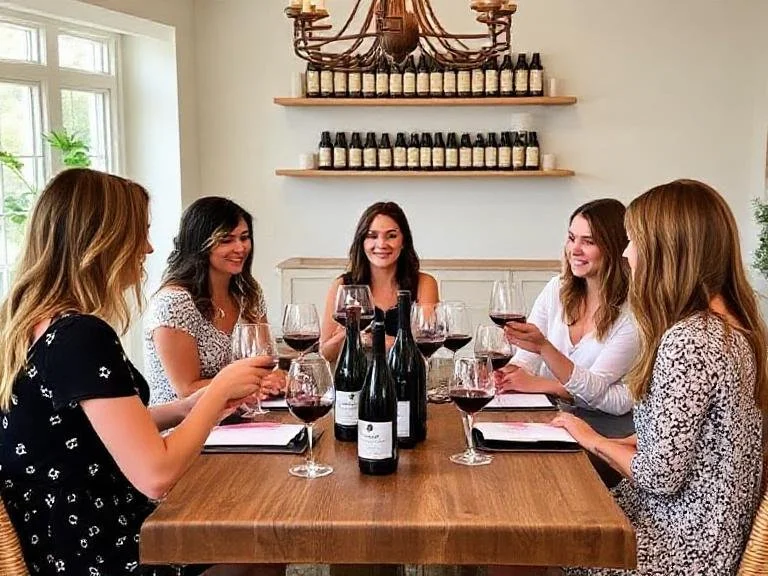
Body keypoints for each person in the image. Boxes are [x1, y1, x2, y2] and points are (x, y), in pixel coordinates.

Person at [0, 169, 271, 575]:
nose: (147, 248)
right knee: (262, 540)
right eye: (139, 233)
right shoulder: (80, 336)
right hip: (98, 549)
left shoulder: (27, 323)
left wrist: (184, 408)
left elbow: (80, 430)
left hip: (57, 536)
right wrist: (217, 393)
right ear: (101, 242)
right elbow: (156, 477)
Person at [554, 180, 766, 575]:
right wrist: (618, 440)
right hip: (707, 536)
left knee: (548, 542)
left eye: (633, 240)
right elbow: (691, 439)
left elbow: (659, 475)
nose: (627, 253)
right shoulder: (733, 327)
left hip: (680, 548)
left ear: (666, 251)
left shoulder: (691, 340)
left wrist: (591, 438)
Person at [498, 199, 638, 438]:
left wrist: (542, 381)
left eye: (589, 242)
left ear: (615, 248)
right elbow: (528, 354)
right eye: (572, 238)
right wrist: (509, 374)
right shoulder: (557, 289)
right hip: (551, 419)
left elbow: (612, 399)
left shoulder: (632, 314)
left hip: (606, 433)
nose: (575, 249)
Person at [145, 197, 282, 406]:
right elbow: (186, 390)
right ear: (200, 245)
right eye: (226, 240)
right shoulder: (174, 303)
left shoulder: (249, 292)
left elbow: (264, 365)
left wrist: (275, 378)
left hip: (238, 418)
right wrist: (254, 383)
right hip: (183, 427)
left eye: (244, 237)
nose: (240, 248)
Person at [320, 201, 439, 361]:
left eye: (391, 236)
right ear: (362, 242)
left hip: (408, 379)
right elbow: (327, 353)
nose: (381, 244)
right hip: (359, 381)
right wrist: (348, 331)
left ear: (403, 241)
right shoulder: (343, 285)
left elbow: (424, 345)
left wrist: (371, 340)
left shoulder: (424, 283)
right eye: (372, 236)